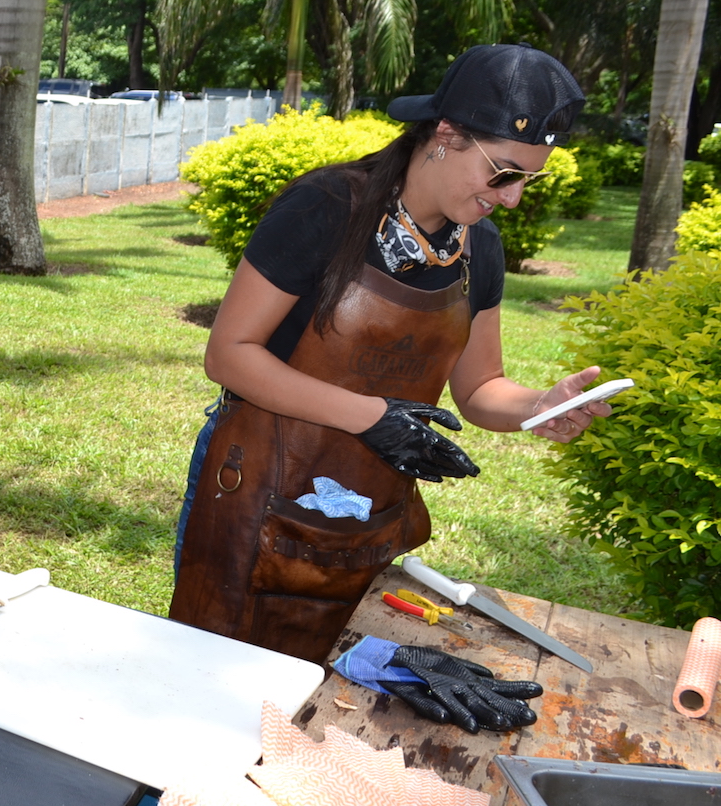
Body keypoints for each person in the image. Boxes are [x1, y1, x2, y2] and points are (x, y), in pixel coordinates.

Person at [171, 43, 612, 663]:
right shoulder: (327, 208)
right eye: (503, 173)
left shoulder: (478, 249)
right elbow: (230, 355)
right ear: (446, 134)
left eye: (526, 180)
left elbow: (480, 388)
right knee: (215, 672)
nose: (512, 197)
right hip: (258, 489)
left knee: (332, 685)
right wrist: (372, 417)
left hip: (370, 512)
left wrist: (539, 405)